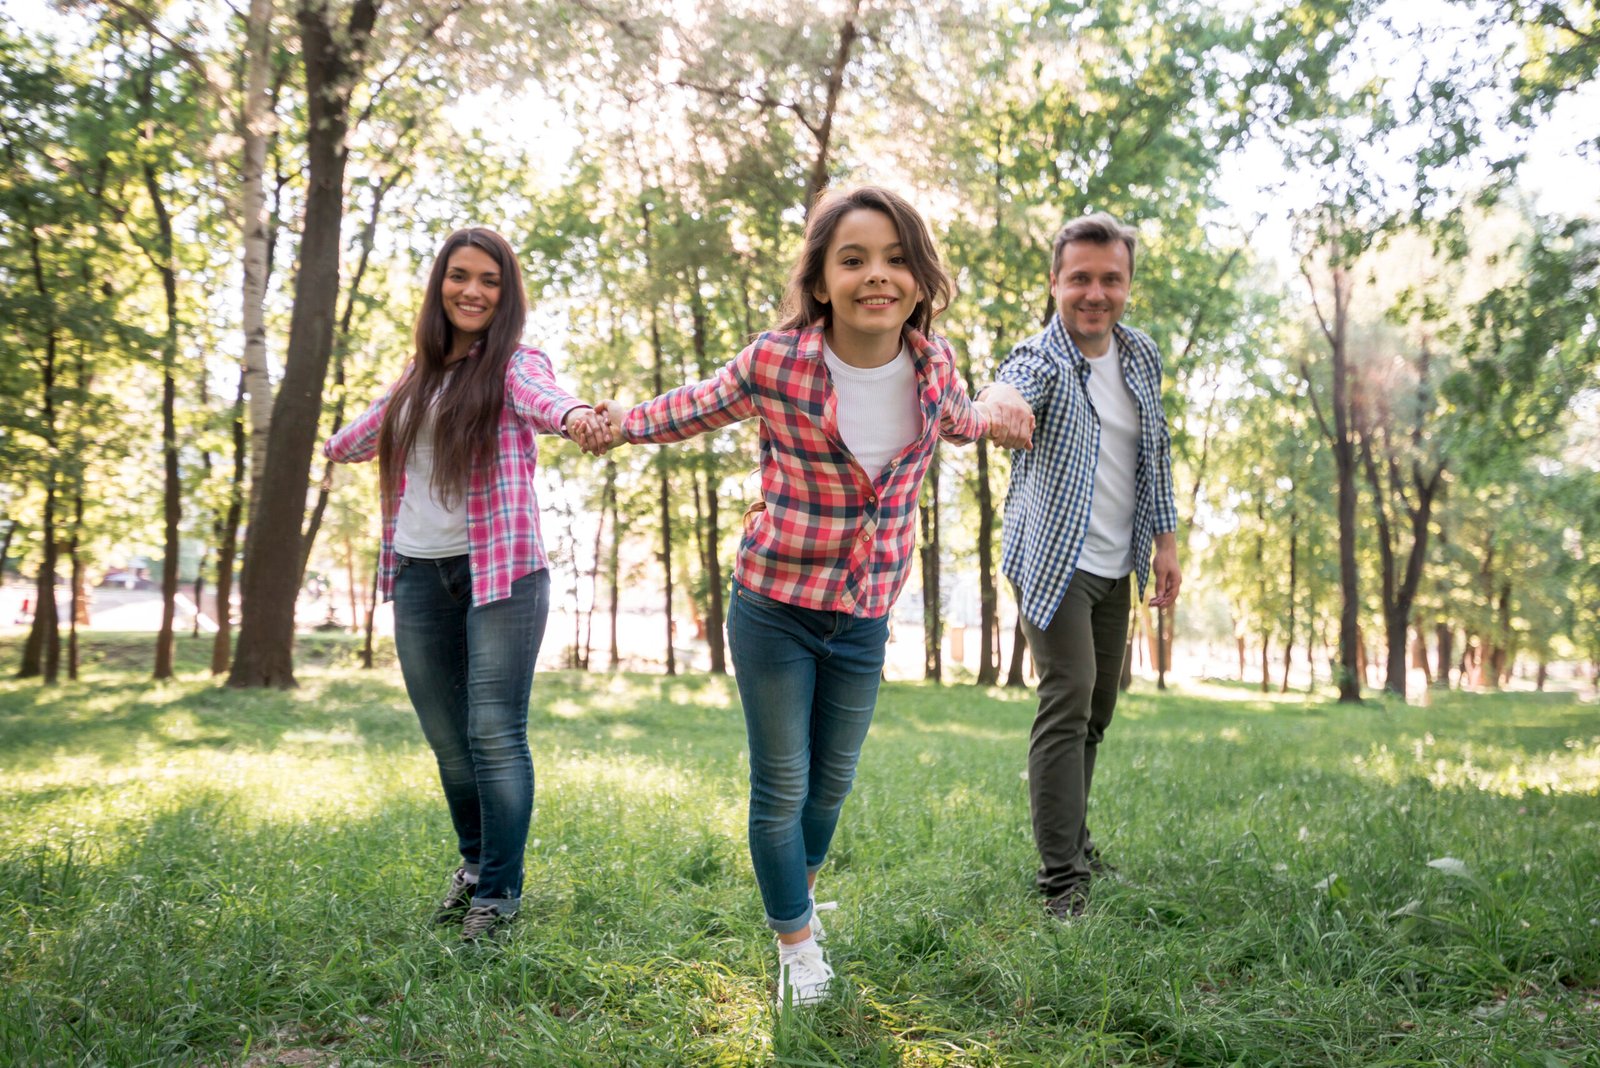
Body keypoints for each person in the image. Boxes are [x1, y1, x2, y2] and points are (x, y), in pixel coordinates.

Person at [595, 187, 1028, 1008]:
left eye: (896, 259)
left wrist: (1003, 408)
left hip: (865, 614)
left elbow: (967, 421)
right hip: (774, 607)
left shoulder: (933, 367)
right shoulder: (778, 361)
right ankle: (795, 947)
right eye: (854, 259)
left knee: (832, 785)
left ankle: (798, 897)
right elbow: (691, 407)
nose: (877, 275)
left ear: (919, 278)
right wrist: (617, 422)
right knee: (783, 786)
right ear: (822, 281)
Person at [323, 227, 613, 942]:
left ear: (505, 294)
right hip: (417, 575)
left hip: (502, 574)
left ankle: (499, 896)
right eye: (459, 276)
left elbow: (545, 399)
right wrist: (341, 433)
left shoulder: (515, 364)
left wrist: (577, 416)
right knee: (449, 741)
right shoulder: (416, 376)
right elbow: (354, 443)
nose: (472, 291)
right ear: (440, 285)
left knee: (493, 733)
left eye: (489, 279)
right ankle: (476, 866)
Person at [980, 212, 1181, 920]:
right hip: (1053, 560)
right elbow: (1010, 387)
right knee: (1068, 700)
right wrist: (997, 403)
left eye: (1110, 279)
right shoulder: (1041, 358)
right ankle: (1062, 880)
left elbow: (1154, 448)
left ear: (1127, 285)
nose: (1095, 293)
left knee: (1097, 710)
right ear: (1055, 283)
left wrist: (1165, 541)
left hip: (1115, 560)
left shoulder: (1140, 354)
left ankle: (1075, 843)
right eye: (1080, 279)